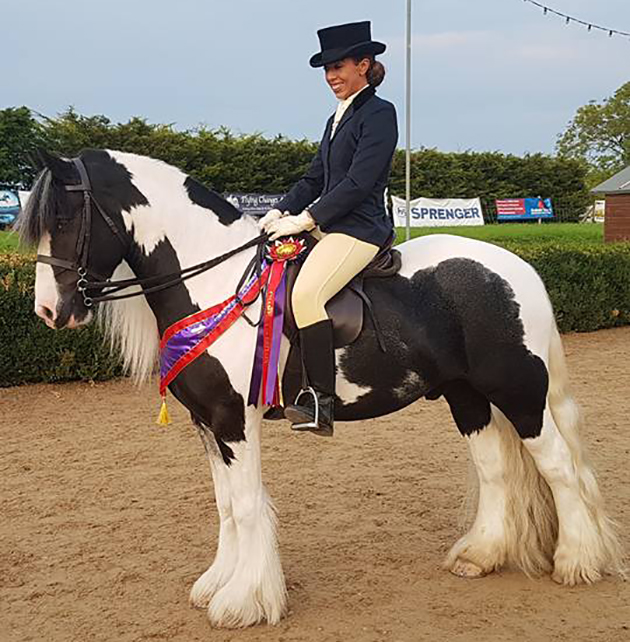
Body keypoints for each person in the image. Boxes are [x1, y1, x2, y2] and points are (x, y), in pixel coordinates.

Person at [260, 20, 398, 436]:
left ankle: (320, 401)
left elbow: (358, 183)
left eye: (338, 67)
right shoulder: (336, 118)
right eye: (326, 70)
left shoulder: (380, 114)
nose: (332, 76)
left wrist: (307, 219)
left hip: (359, 229)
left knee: (306, 295)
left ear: (364, 64)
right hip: (329, 225)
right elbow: (314, 178)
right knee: (273, 281)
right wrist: (278, 210)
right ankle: (280, 388)